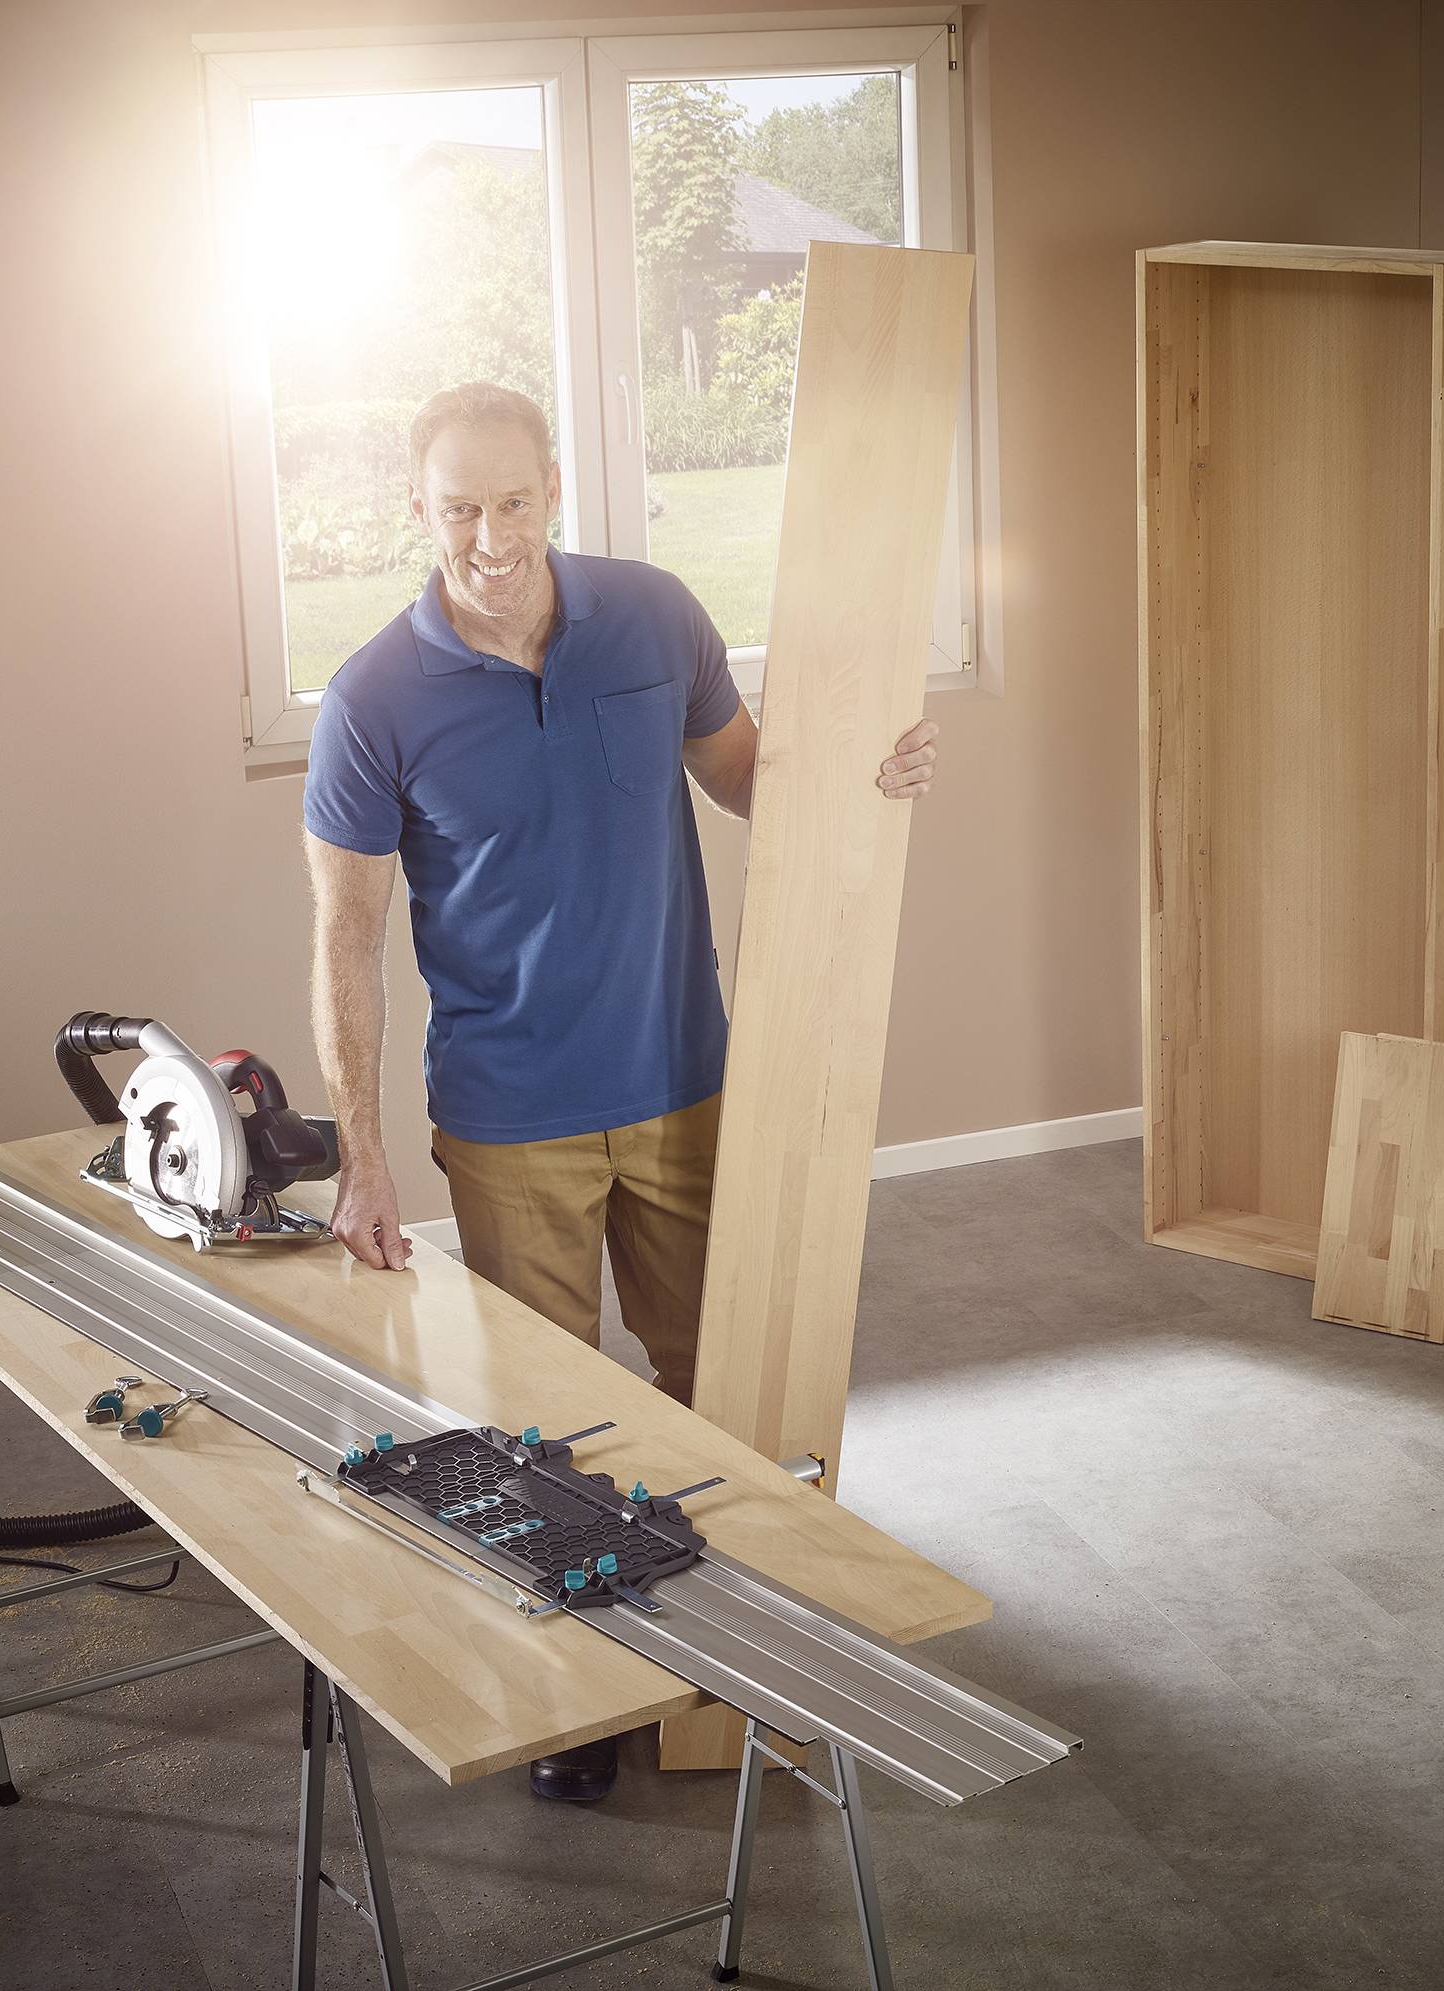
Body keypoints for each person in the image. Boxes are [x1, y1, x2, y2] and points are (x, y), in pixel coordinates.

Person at [300, 380, 937, 1801]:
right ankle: (582, 1696)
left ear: (554, 493)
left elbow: (752, 781)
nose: (488, 535)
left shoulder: (654, 618)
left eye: (512, 501)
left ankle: (733, 1662)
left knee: (722, 1384)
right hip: (509, 1112)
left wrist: (865, 774)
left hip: (687, 1083)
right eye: (458, 507)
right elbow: (343, 937)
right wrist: (361, 1155)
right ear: (420, 511)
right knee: (543, 1431)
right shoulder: (373, 698)